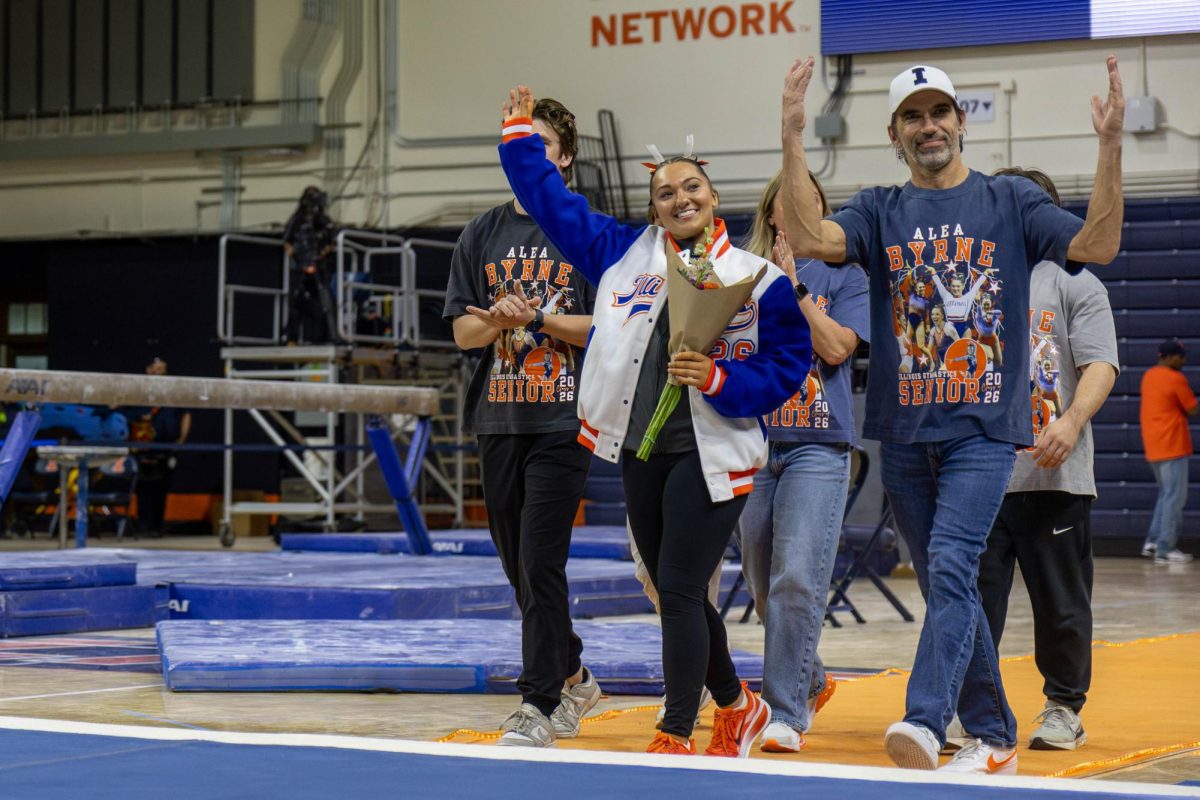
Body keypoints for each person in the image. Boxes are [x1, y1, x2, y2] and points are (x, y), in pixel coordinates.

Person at [780, 55, 1125, 774]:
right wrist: (790, 134)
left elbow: (1097, 245)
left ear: (961, 122)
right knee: (952, 585)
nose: (929, 125)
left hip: (983, 430)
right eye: (914, 116)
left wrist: (1111, 146)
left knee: (949, 562)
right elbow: (811, 239)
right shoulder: (878, 208)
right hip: (905, 433)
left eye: (940, 112)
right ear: (895, 133)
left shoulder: (1009, 203)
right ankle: (996, 732)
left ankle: (926, 717)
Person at [499, 85, 811, 757]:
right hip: (640, 448)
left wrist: (723, 379)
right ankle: (738, 705)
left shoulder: (756, 277)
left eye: (691, 187)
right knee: (676, 593)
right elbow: (553, 204)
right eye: (666, 193)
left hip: (715, 455)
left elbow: (790, 365)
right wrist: (520, 137)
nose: (680, 199)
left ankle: (675, 728)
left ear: (712, 195)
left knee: (677, 586)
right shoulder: (618, 253)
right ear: (653, 206)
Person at [443, 96, 601, 748]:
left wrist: (536, 319)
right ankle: (575, 672)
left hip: (563, 418)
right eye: (516, 143)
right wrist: (499, 320)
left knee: (541, 560)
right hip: (499, 417)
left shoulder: (585, 231)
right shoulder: (480, 233)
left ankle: (540, 702)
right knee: (519, 569)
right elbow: (461, 332)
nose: (526, 153)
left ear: (563, 157)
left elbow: (608, 327)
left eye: (538, 144)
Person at [944, 167, 1119, 754]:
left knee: (1060, 603)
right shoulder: (969, 281)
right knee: (971, 603)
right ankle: (973, 708)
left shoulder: (1074, 282)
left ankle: (1065, 707)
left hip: (1053, 475)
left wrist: (1070, 422)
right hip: (978, 475)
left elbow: (1101, 364)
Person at [736, 171, 868, 753]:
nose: (801, 211)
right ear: (773, 216)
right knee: (763, 585)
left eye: (811, 202)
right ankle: (810, 679)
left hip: (819, 443)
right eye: (789, 204)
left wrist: (795, 290)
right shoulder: (740, 272)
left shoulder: (847, 274)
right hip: (753, 442)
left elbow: (838, 347)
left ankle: (784, 711)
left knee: (797, 577)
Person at [1140, 339, 1197, 563]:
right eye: (1180, 356)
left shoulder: (1149, 376)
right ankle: (1165, 548)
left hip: (1154, 445)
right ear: (1169, 357)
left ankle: (1153, 541)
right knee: (1174, 498)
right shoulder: (1176, 378)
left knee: (1166, 495)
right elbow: (1192, 408)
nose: (1183, 360)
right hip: (1173, 445)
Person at [127, 358, 192, 537]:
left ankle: (156, 526)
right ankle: (143, 525)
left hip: (165, 448)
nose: (161, 372)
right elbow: (124, 412)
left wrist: (181, 439)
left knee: (161, 488)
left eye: (163, 369)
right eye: (157, 369)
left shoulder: (173, 392)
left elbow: (185, 413)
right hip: (143, 448)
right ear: (148, 370)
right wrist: (141, 418)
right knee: (143, 489)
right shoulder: (138, 392)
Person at [282, 186, 339, 345]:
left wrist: (320, 256)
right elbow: (287, 242)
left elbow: (332, 241)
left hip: (319, 267)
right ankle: (291, 337)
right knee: (296, 300)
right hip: (300, 267)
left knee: (325, 300)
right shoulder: (296, 220)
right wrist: (299, 259)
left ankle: (328, 336)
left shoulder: (324, 221)